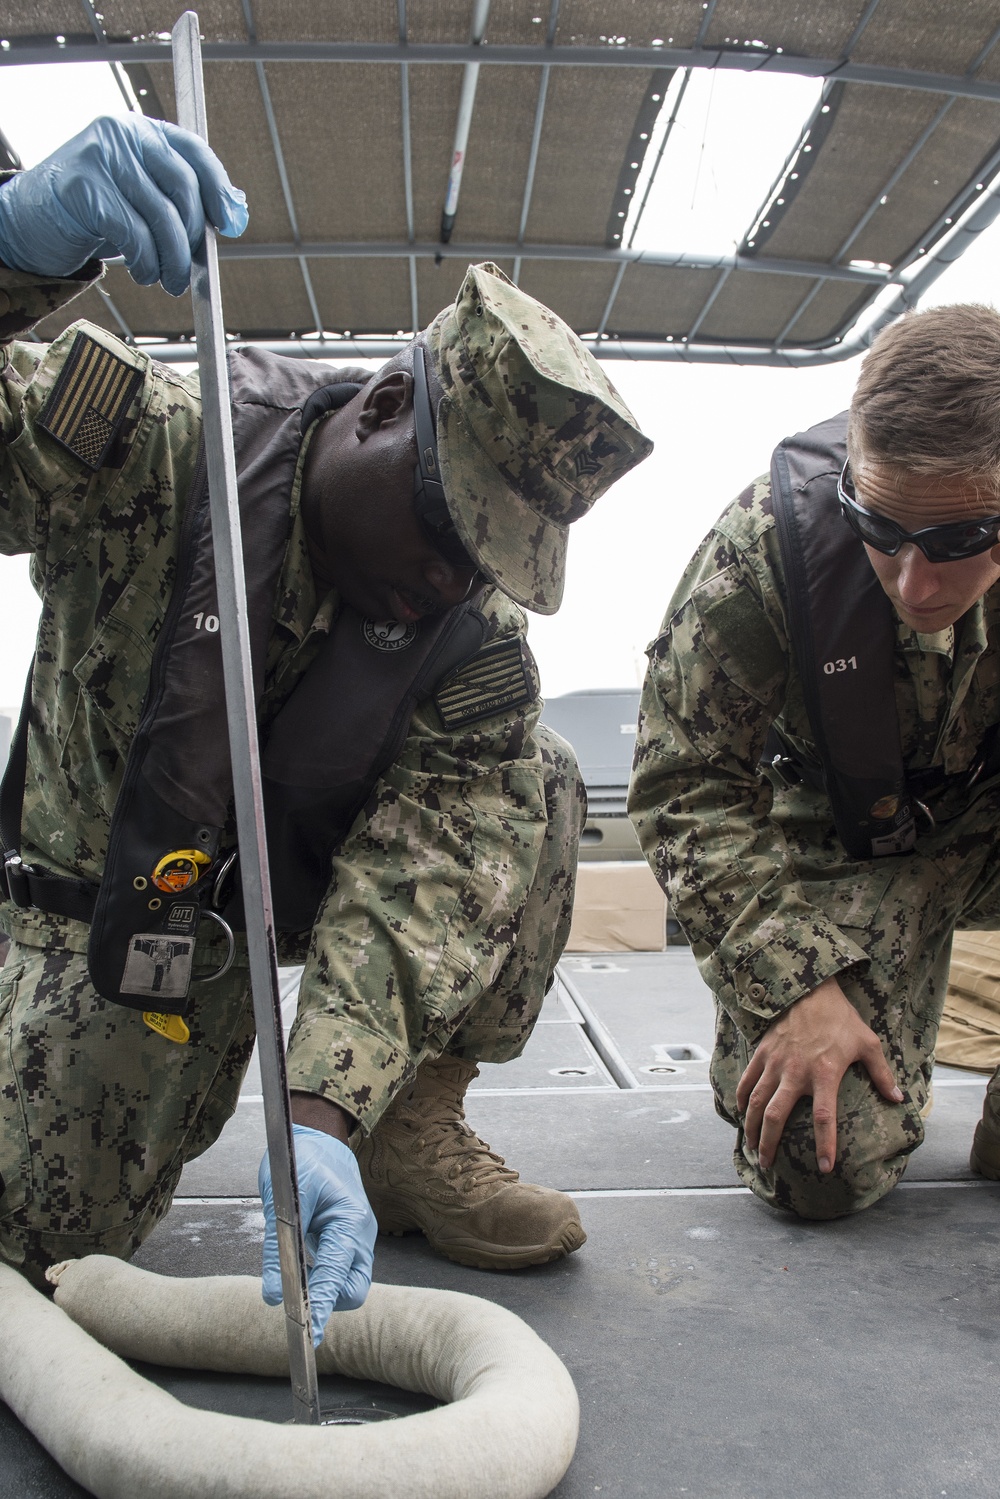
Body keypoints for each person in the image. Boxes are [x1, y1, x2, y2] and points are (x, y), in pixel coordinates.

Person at [0, 116, 652, 1338]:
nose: (458, 584)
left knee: (540, 781)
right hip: (111, 909)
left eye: (495, 561)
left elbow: (430, 874)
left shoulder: (473, 642)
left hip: (302, 894)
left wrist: (322, 1114)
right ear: (384, 405)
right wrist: (5, 257)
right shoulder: (147, 443)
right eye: (450, 531)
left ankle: (405, 1128)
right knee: (31, 1242)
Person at [629, 301, 1000, 1220]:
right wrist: (796, 982)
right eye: (879, 526)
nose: (914, 581)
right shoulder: (763, 550)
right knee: (821, 1161)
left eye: (958, 542)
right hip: (839, 840)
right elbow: (683, 784)